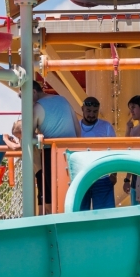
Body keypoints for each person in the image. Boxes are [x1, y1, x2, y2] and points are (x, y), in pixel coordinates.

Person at [33, 80, 80, 213]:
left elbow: (28, 137)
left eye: (23, 96)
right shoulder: (63, 99)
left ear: (33, 92)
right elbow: (77, 129)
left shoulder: (36, 107)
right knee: (71, 193)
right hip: (72, 152)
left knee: (54, 198)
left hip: (51, 154)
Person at [79, 96, 117, 210]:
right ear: (82, 109)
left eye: (95, 112)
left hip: (102, 177)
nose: (92, 114)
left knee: (105, 216)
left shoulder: (106, 126)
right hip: (81, 177)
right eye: (88, 111)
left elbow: (114, 149)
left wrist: (114, 174)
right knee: (79, 215)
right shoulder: (75, 125)